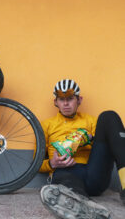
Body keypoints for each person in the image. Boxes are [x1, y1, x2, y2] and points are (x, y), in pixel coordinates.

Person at [39, 79, 125, 219]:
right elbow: (35, 165)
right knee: (67, 183)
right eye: (61, 99)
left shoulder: (91, 121)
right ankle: (83, 207)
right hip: (64, 174)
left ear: (79, 100)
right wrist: (52, 164)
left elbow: (102, 149)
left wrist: (90, 140)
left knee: (109, 116)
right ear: (56, 102)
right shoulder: (45, 125)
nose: (66, 104)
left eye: (70, 99)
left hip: (93, 172)